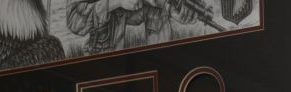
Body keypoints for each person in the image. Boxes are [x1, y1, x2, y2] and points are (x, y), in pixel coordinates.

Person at [66, 0, 206, 52]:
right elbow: (74, 22)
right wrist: (116, 2)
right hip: (102, 59)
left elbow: (144, 8)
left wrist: (171, 9)